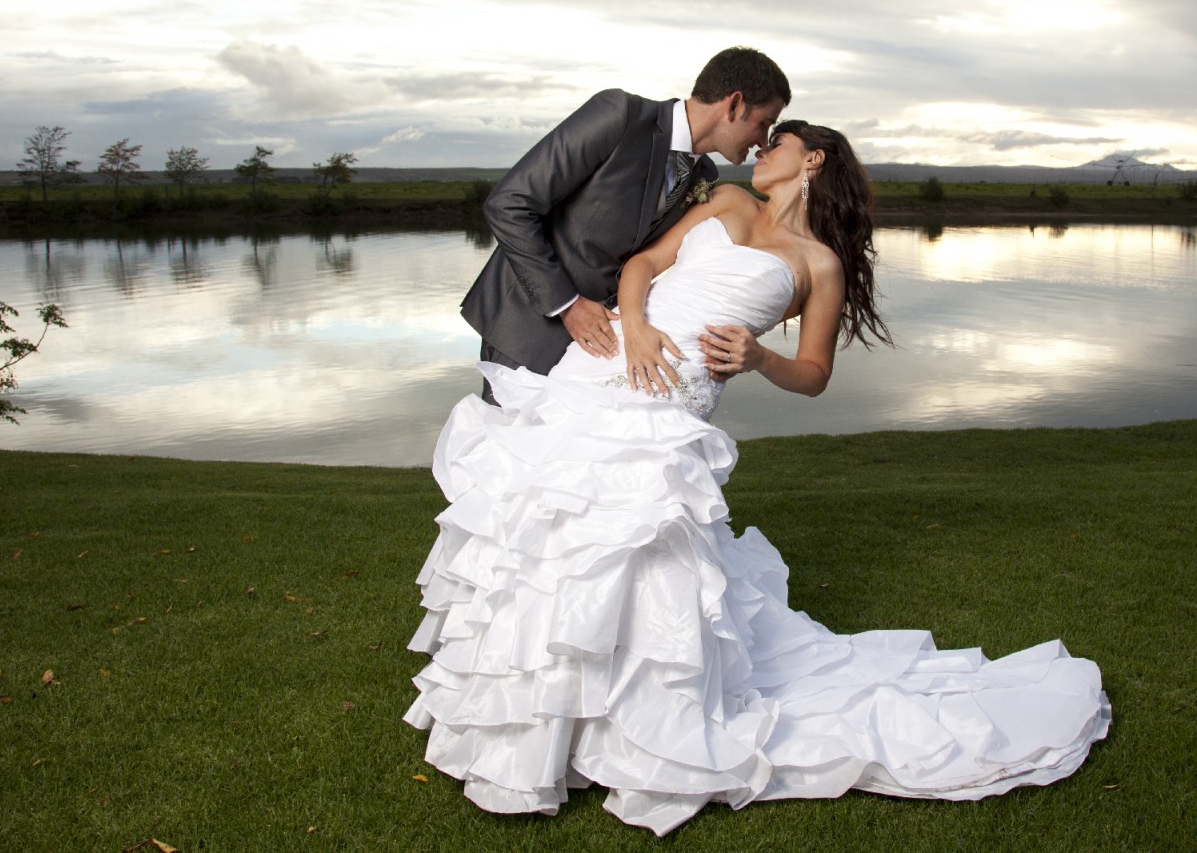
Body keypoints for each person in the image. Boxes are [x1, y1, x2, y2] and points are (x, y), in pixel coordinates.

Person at [406, 122, 1111, 835]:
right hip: (608, 357)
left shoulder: (820, 265)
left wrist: (756, 360)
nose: (761, 150)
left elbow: (813, 374)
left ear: (813, 160)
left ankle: (621, 727)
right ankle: (532, 726)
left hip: (668, 402)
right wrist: (640, 327)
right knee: (550, 530)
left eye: (779, 142)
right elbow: (643, 264)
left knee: (632, 545)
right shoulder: (727, 203)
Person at [461, 47, 791, 398]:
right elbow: (509, 203)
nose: (762, 141)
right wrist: (568, 306)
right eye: (764, 123)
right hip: (530, 324)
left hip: (602, 350)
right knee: (511, 446)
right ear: (735, 105)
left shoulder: (704, 175)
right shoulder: (621, 116)